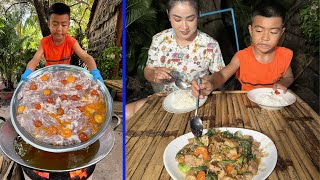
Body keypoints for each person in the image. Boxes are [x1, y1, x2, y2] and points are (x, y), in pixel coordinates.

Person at [126, 0, 225, 120]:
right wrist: (154, 75)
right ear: (168, 15)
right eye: (177, 19)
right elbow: (148, 70)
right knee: (126, 112)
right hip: (162, 100)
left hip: (196, 102)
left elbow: (220, 75)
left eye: (190, 19)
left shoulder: (209, 44)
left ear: (198, 14)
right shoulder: (159, 40)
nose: (184, 26)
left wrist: (209, 83)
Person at [192, 1, 294, 98]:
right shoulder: (242, 57)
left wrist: (283, 83)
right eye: (259, 31)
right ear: (250, 30)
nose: (265, 38)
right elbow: (222, 75)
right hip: (246, 104)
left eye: (273, 32)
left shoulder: (284, 56)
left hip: (274, 103)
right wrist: (211, 83)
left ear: (281, 32)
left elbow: (289, 77)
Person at [20, 2, 103, 82]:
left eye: (63, 25)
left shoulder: (71, 42)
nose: (59, 29)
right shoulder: (44, 42)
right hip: (49, 79)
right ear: (49, 24)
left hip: (66, 79)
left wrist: (95, 71)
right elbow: (35, 60)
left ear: (68, 25)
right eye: (55, 24)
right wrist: (28, 72)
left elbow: (87, 58)